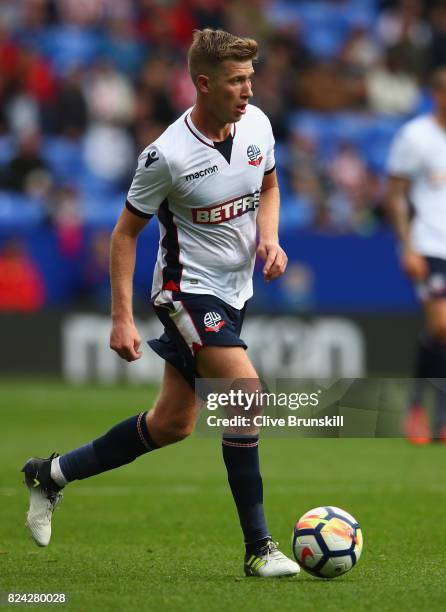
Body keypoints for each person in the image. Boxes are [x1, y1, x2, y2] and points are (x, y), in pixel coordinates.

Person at [22, 29, 299, 578]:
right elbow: (124, 234)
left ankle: (50, 474)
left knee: (172, 424)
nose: (249, 90)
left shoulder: (258, 126)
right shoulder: (166, 155)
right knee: (246, 395)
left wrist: (270, 238)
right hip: (184, 291)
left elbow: (268, 186)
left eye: (251, 78)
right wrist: (121, 316)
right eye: (238, 81)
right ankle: (259, 548)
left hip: (235, 290)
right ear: (203, 83)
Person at [386, 66, 446, 444]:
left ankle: (421, 411)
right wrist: (407, 245)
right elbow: (394, 195)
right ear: (437, 95)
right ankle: (430, 414)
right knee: (442, 327)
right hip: (428, 245)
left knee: (437, 333)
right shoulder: (416, 136)